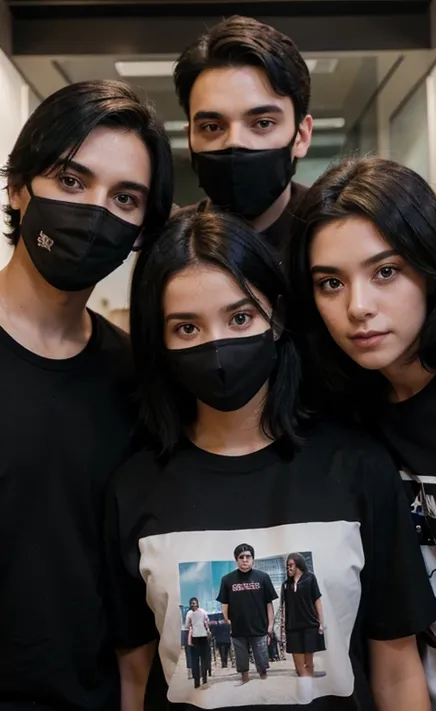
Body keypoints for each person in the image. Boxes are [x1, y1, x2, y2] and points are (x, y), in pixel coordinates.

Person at [105, 208, 436, 711]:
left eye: (240, 317)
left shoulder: (358, 466)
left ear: (277, 317)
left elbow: (395, 669)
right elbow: (135, 677)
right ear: (160, 341)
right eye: (187, 328)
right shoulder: (132, 488)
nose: (217, 346)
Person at [0, 79, 173, 710]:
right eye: (71, 181)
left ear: (138, 233)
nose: (96, 210)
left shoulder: (137, 379)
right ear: (19, 186)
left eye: (124, 198)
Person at [289, 155, 436, 711]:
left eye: (386, 271)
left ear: (432, 265)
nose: (358, 308)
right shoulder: (343, 410)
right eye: (330, 283)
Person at [173, 15, 313, 260]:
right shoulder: (171, 244)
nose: (234, 141)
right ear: (190, 138)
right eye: (212, 127)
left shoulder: (336, 235)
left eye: (262, 123)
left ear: (301, 136)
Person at [217, 544, 277, 684]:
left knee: (262, 660)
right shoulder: (227, 580)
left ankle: (264, 680)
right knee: (241, 659)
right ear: (236, 560)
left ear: (253, 559)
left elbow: (269, 603)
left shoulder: (263, 577)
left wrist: (271, 624)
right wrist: (227, 619)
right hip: (238, 628)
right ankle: (245, 680)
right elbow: (224, 602)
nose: (245, 560)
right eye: (241, 557)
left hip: (260, 627)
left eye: (248, 557)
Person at [281, 553, 325, 678]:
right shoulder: (286, 584)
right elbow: (285, 607)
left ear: (298, 564)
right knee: (299, 666)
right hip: (293, 626)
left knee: (309, 663)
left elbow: (317, 600)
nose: (288, 568)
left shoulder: (310, 578)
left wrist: (321, 622)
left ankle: (309, 688)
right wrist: (284, 626)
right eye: (287, 566)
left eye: (291, 565)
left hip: (309, 624)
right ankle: (306, 681)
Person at [185, 598, 211, 689]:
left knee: (203, 659)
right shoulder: (189, 613)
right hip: (195, 638)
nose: (193, 605)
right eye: (192, 603)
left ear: (197, 604)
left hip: (202, 637)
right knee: (195, 660)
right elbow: (187, 626)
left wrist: (207, 630)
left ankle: (204, 679)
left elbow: (206, 622)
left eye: (194, 603)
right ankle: (197, 682)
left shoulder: (201, 612)